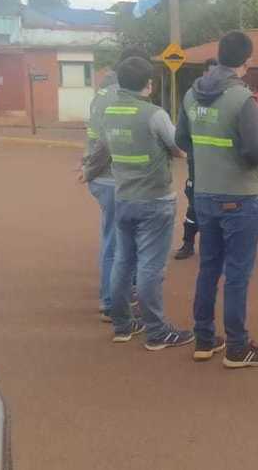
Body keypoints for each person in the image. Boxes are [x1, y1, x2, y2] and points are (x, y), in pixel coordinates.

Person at [176, 31, 258, 368]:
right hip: (239, 197)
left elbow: (182, 140)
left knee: (208, 267)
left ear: (218, 56)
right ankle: (237, 346)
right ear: (246, 61)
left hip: (204, 194)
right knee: (237, 273)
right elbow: (254, 150)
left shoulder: (191, 94)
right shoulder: (242, 99)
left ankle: (204, 339)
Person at [83, 56, 193, 351]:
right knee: (150, 267)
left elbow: (101, 151)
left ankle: (122, 325)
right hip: (155, 199)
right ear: (149, 84)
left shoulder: (109, 112)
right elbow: (179, 149)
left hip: (124, 197)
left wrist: (87, 173)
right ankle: (156, 332)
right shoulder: (154, 114)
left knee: (123, 261)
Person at [81, 46, 148, 322]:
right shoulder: (118, 98)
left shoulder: (102, 94)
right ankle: (110, 301)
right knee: (117, 241)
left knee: (120, 237)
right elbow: (108, 143)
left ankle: (122, 291)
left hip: (104, 177)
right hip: (114, 177)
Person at [175, 57, 218, 260]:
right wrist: (194, 152)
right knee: (194, 202)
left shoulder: (229, 98)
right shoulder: (191, 97)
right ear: (204, 73)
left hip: (222, 165)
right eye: (211, 72)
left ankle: (217, 247)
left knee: (221, 204)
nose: (215, 77)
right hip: (197, 162)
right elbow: (181, 135)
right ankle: (188, 243)